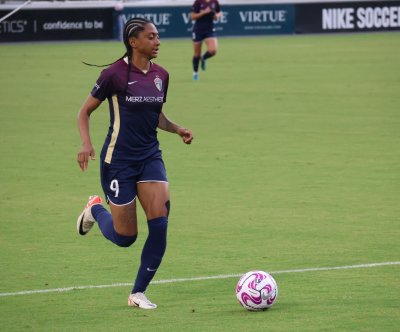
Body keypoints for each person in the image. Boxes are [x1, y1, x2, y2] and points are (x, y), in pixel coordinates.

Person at [76, 17, 193, 310]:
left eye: (157, 37)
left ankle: (137, 292)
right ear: (134, 41)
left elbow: (155, 115)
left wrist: (177, 128)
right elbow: (84, 112)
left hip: (150, 156)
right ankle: (94, 209)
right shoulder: (113, 74)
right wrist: (86, 144)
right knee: (126, 237)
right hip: (118, 162)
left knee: (161, 223)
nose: (157, 42)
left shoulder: (161, 75)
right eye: (151, 37)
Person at [190, 0, 221, 81]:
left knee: (213, 50)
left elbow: (219, 13)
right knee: (197, 54)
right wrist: (203, 13)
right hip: (198, 30)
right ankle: (195, 73)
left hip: (209, 29)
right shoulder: (198, 2)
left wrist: (216, 16)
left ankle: (203, 58)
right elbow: (192, 16)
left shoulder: (214, 2)